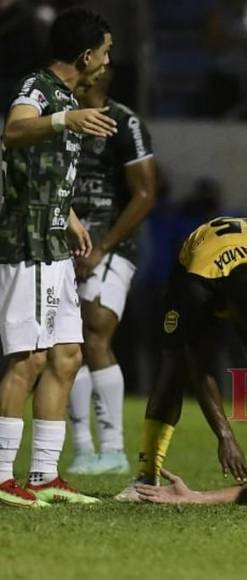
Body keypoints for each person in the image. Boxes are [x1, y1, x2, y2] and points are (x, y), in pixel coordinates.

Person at [115, 217, 247, 501]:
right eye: (239, 320)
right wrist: (226, 437)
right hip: (199, 262)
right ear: (224, 303)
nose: (244, 330)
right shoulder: (196, 289)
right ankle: (146, 475)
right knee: (174, 368)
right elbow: (200, 369)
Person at [0, 7, 114, 508]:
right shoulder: (39, 89)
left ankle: (44, 475)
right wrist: (65, 119)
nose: (107, 63)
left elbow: (35, 168)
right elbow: (14, 131)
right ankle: (0, 476)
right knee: (28, 359)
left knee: (68, 355)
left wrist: (68, 215)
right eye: (105, 52)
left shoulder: (66, 98)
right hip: (26, 244)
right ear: (86, 55)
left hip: (53, 242)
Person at [66, 68, 157, 475]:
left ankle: (114, 448)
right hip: (66, 243)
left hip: (111, 245)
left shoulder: (124, 123)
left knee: (96, 329)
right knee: (65, 342)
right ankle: (84, 449)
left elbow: (145, 193)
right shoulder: (61, 120)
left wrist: (101, 247)